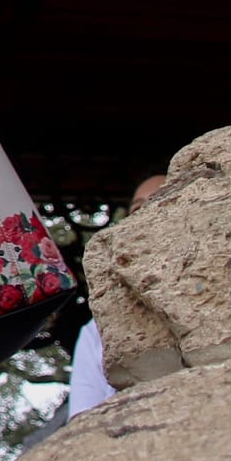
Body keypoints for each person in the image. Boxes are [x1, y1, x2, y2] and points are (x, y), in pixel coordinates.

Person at [68, 173, 165, 416]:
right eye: (137, 208)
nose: (146, 214)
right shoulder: (98, 330)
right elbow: (84, 419)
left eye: (159, 200)